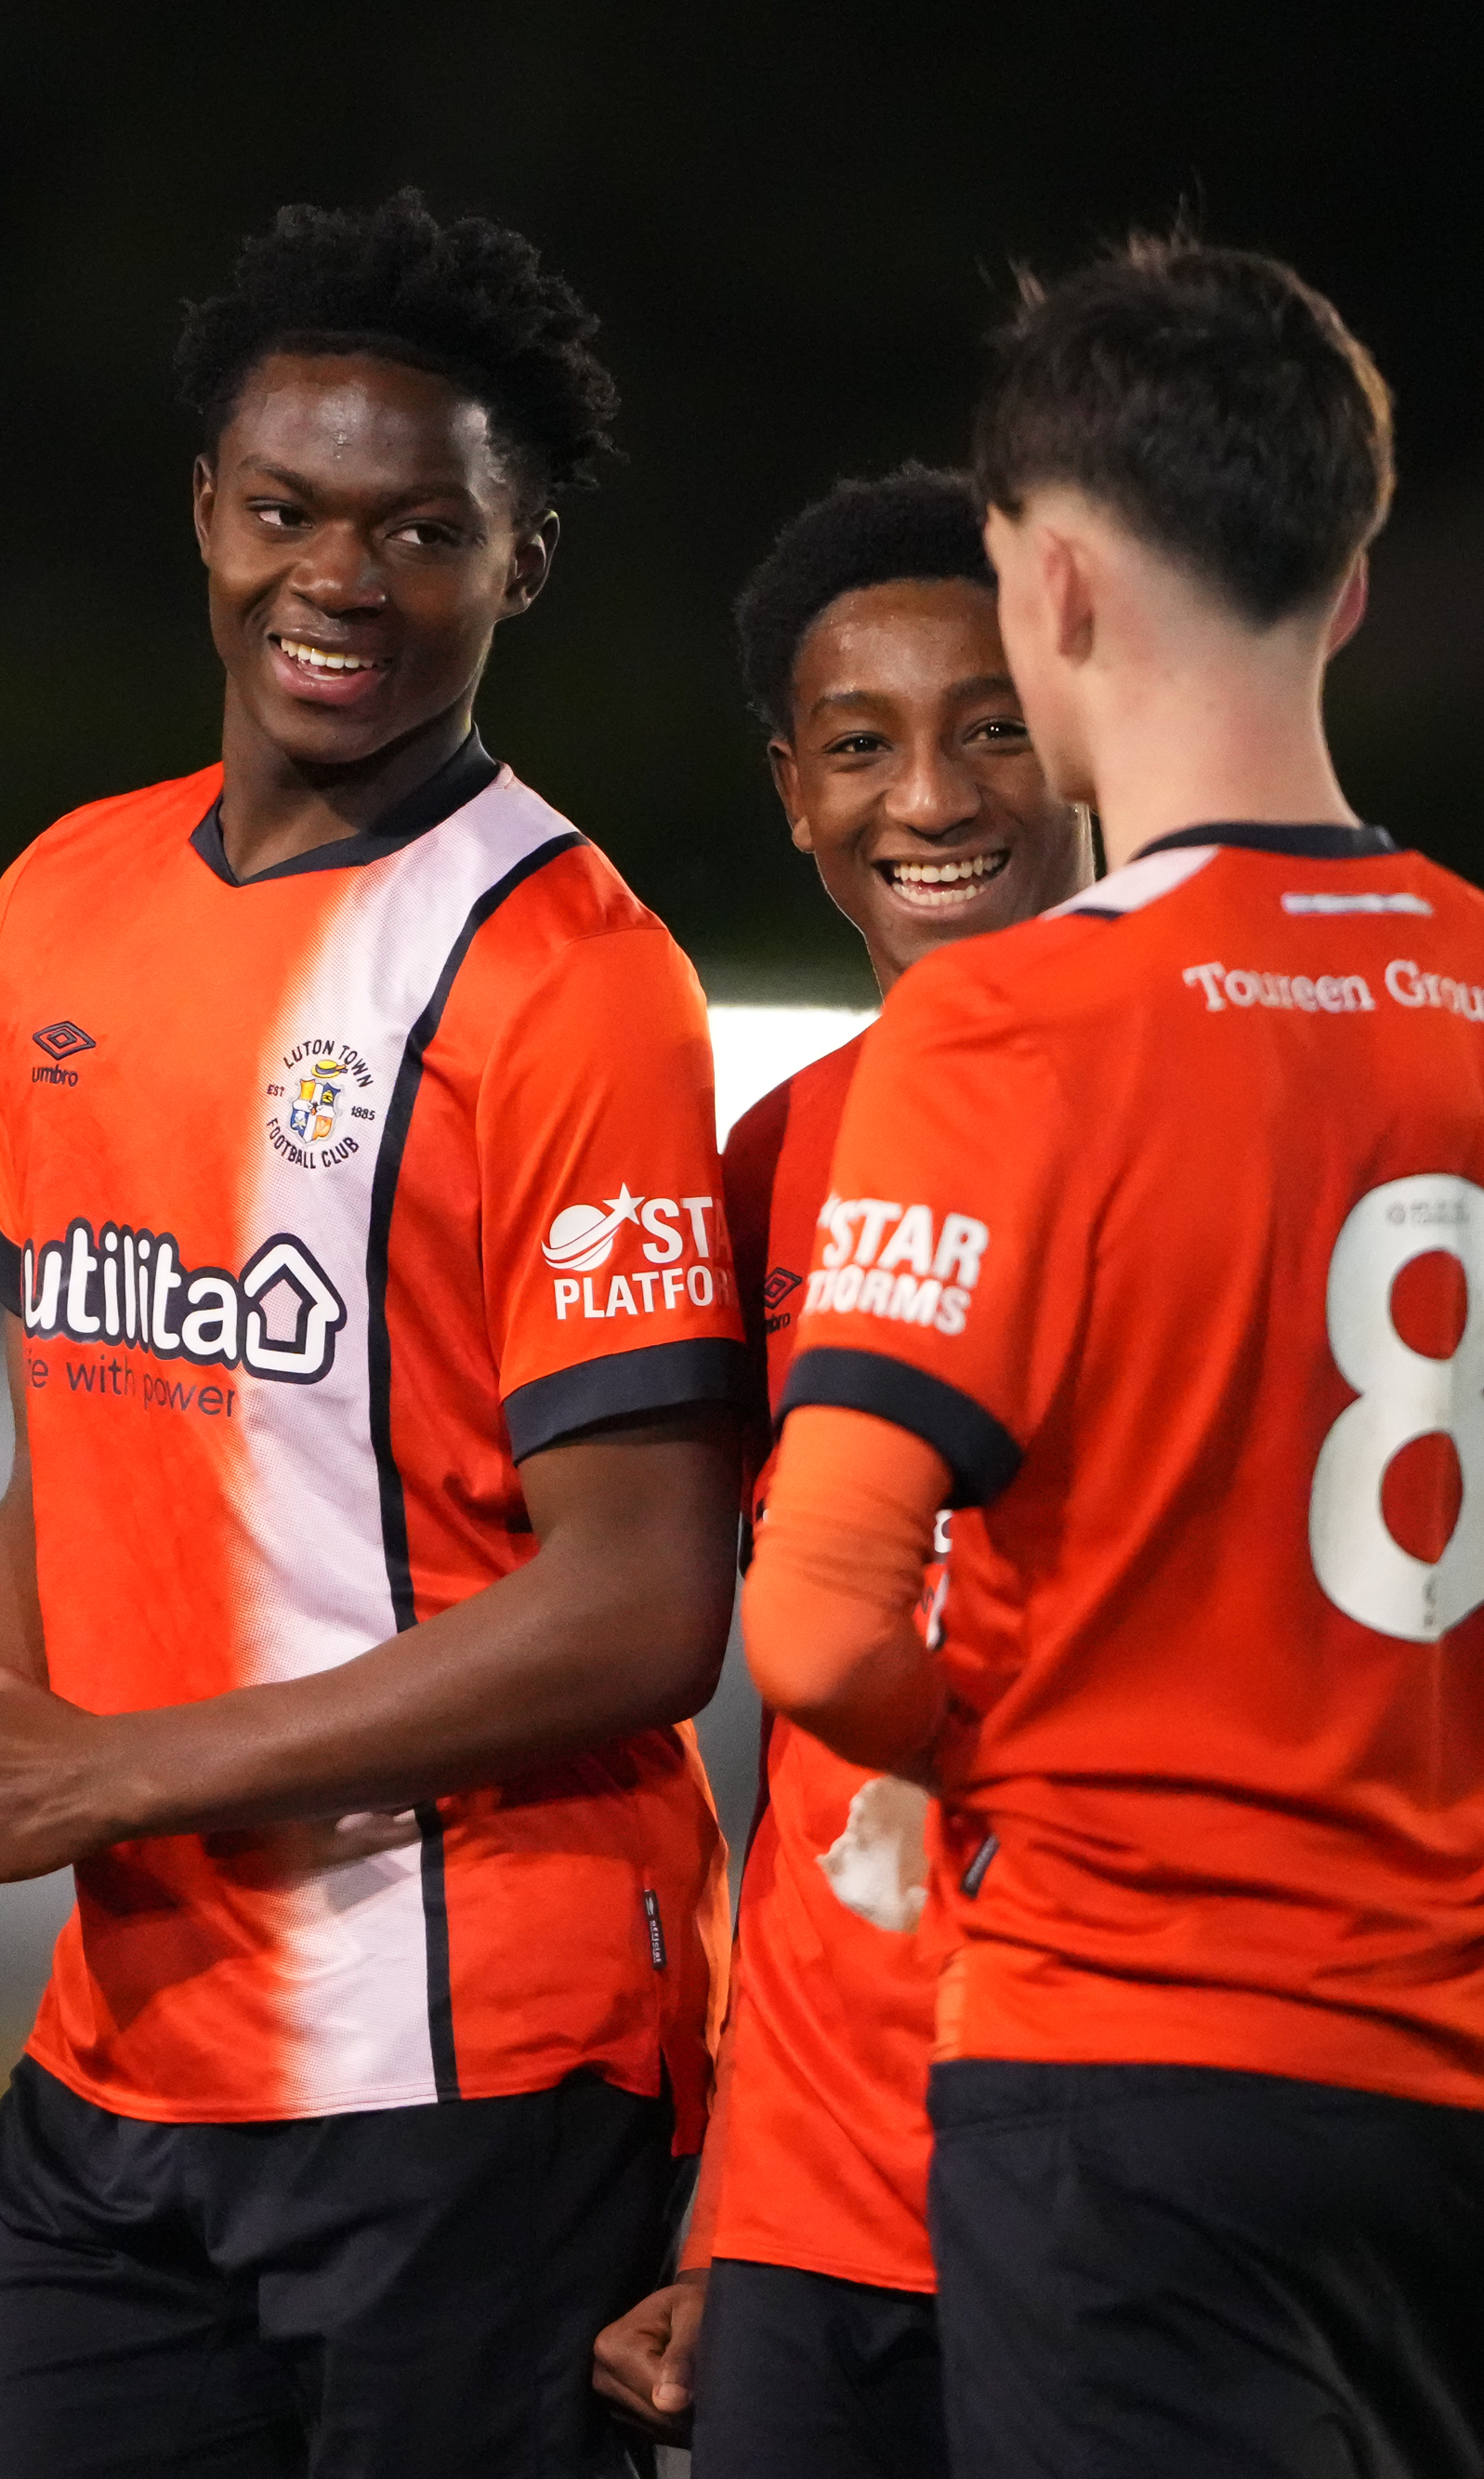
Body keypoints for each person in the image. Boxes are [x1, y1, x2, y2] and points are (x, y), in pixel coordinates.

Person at [0, 194, 745, 2478]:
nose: (339, 581)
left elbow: (647, 1600)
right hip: (129, 2067)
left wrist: (81, 1781)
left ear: (521, 559)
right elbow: (82, 1444)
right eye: (285, 511)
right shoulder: (58, 901)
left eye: (421, 529)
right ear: (204, 513)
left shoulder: (568, 976)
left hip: (473, 2080)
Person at [742, 234, 1484, 2479]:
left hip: (1130, 2076)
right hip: (1479, 2114)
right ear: (1354, 586)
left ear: (1055, 588)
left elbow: (816, 1627)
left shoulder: (1006, 1028)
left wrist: (1014, 1753)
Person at [587, 467, 1090, 2472]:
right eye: (860, 745)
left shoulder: (1243, 1103)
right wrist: (726, 2195)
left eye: (988, 727)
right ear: (790, 792)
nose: (934, 800)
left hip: (1143, 2109)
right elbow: (756, 1738)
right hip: (822, 2191)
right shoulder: (770, 1155)